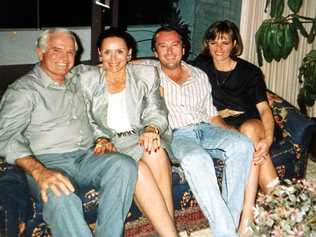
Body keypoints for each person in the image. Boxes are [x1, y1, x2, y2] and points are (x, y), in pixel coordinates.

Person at [0, 28, 138, 237]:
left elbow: (114, 65)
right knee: (60, 194)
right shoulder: (23, 90)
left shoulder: (78, 77)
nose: (64, 58)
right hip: (46, 161)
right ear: (40, 53)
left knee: (123, 165)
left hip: (85, 157)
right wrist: (39, 171)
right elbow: (6, 136)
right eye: (57, 50)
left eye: (71, 52)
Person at [137, 25, 254, 237]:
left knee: (242, 145)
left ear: (184, 49)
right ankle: (227, 233)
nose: (170, 51)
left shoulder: (199, 74)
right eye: (163, 46)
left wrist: (231, 133)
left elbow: (212, 115)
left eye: (175, 45)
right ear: (155, 52)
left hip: (206, 128)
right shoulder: (148, 71)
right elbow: (117, 62)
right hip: (177, 135)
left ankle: (227, 225)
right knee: (197, 159)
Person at [68, 28, 178, 237]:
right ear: (99, 54)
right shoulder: (86, 78)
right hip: (106, 141)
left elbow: (157, 110)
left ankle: (168, 230)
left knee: (155, 150)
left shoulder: (145, 74)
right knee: (140, 171)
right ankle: (170, 233)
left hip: (136, 136)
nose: (113, 58)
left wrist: (151, 129)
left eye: (119, 52)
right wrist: (100, 138)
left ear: (129, 54)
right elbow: (84, 118)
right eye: (107, 52)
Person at [192, 20, 279, 236]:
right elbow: (168, 68)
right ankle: (279, 203)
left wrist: (267, 140)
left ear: (234, 44)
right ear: (207, 44)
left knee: (249, 133)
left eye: (225, 42)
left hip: (252, 123)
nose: (218, 48)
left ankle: (246, 218)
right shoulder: (200, 66)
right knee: (271, 187)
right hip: (221, 125)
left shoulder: (250, 72)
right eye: (213, 42)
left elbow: (265, 110)